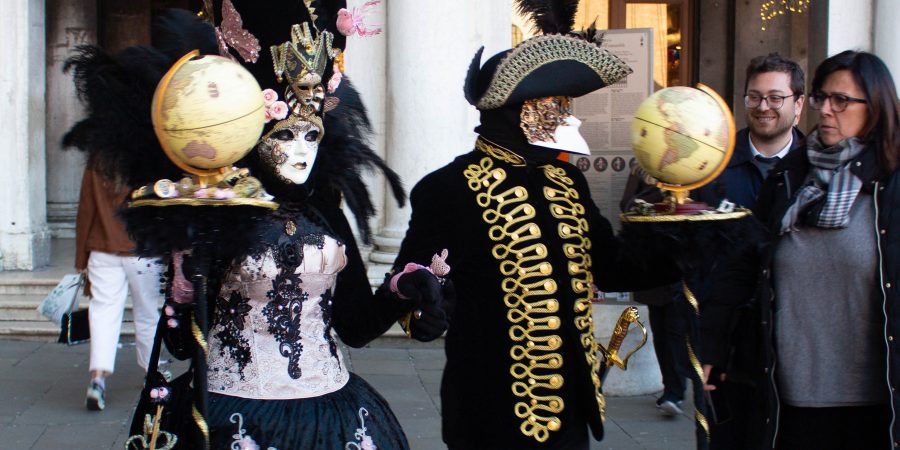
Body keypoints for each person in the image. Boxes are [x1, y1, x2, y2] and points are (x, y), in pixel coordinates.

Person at [65, 4, 449, 448]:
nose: (302, 151)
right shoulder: (220, 207)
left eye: (311, 136)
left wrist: (403, 290)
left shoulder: (326, 210)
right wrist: (186, 279)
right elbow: (182, 345)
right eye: (285, 136)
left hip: (332, 412)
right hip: (233, 412)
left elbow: (356, 327)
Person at [388, 3, 681, 448]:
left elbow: (614, 268)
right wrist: (426, 308)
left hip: (570, 410)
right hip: (489, 414)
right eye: (556, 106)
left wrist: (682, 243)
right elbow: (410, 287)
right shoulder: (447, 188)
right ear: (522, 111)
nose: (568, 117)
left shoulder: (567, 181)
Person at [701, 50, 900, 449]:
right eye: (820, 98)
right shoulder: (789, 177)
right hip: (785, 397)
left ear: (876, 107)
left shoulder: (891, 186)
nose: (826, 110)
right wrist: (713, 348)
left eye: (841, 101)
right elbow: (742, 267)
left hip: (874, 406)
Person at [73, 165, 162, 411]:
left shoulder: (98, 158)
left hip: (103, 247)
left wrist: (80, 257)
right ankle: (152, 375)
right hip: (143, 248)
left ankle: (97, 379)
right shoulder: (148, 153)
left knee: (103, 313)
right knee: (147, 314)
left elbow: (86, 208)